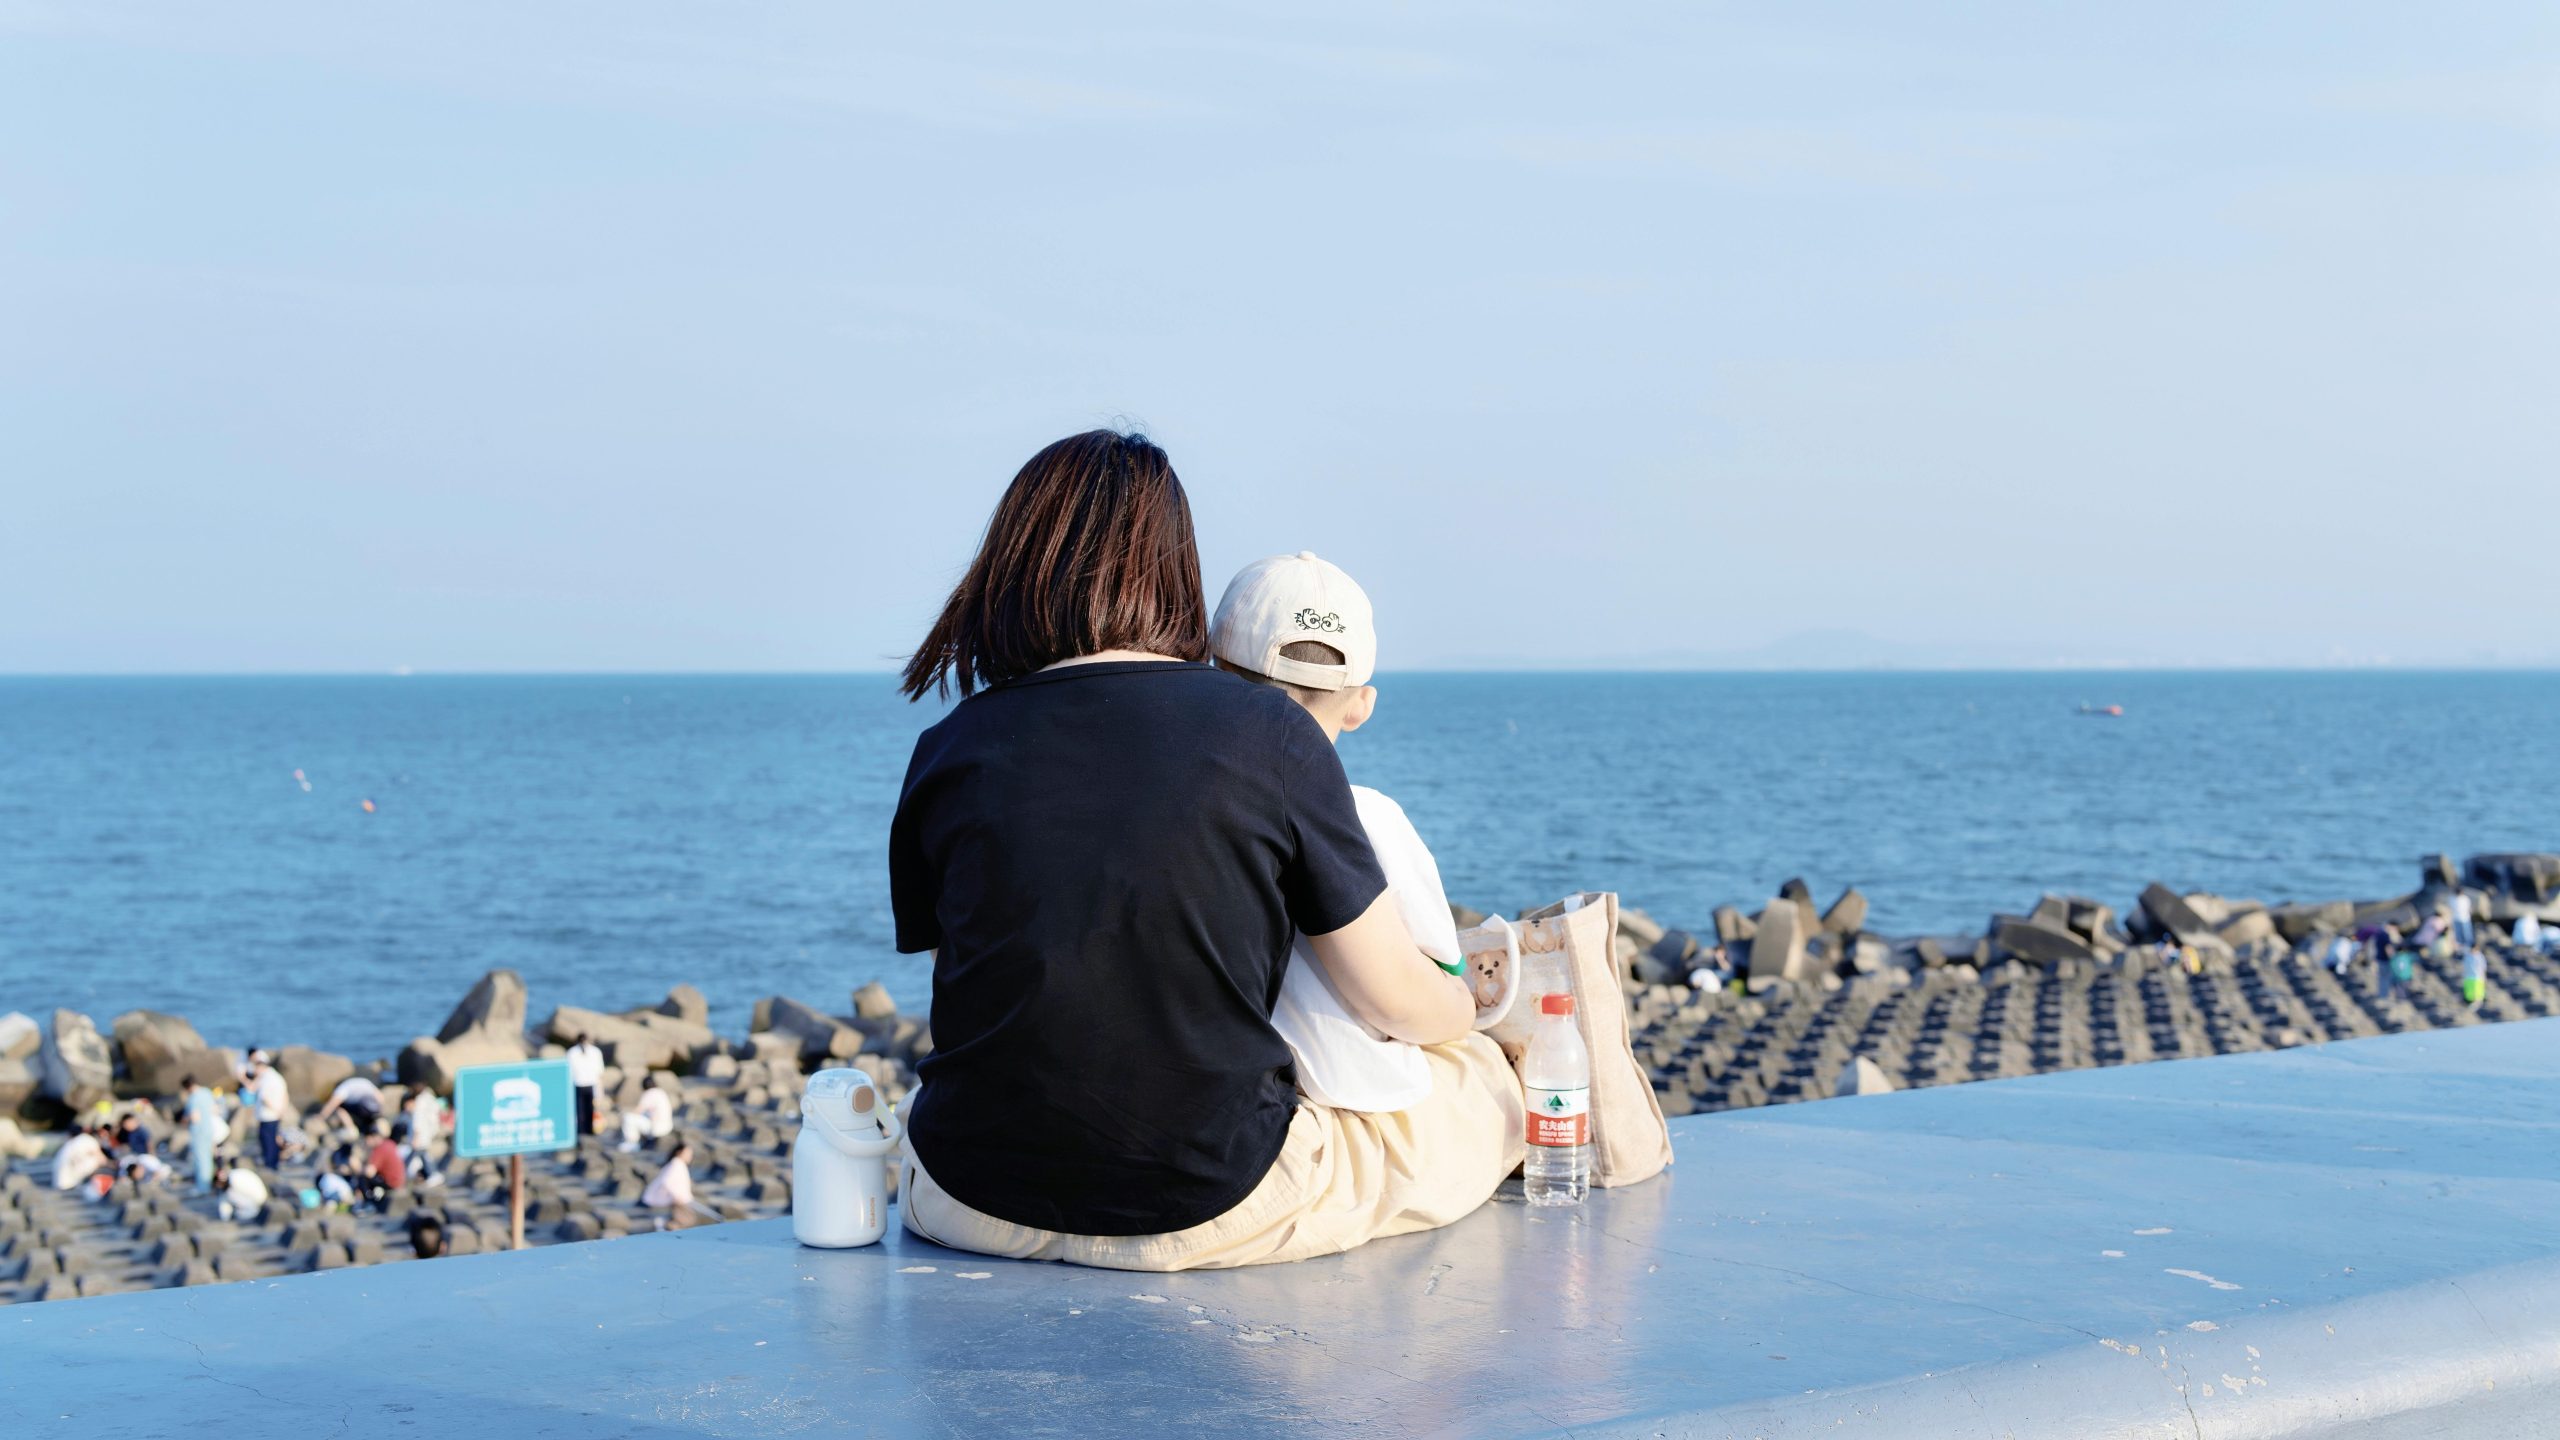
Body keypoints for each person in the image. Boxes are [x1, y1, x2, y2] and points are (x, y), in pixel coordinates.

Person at [887, 431, 1518, 1272]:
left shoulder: (949, 747)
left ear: (1010, 567)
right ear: (1172, 565)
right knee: (1487, 1085)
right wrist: (1470, 1019)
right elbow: (1394, 999)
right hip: (1206, 1203)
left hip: (962, 1197)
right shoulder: (1270, 735)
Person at [1213, 552, 1474, 1113]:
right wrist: (1466, 1006)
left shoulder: (1193, 804)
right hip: (1339, 1091)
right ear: (1361, 706)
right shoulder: (1371, 816)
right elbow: (1421, 985)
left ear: (1215, 673)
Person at [245, 1052, 291, 1171]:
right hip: (275, 1114)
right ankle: (274, 1165)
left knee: (267, 1141)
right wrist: (282, 1110)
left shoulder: (267, 1078)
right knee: (274, 1140)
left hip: (268, 1115)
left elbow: (264, 1097)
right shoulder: (276, 1077)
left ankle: (270, 1166)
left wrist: (276, 1110)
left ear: (260, 1067)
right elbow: (285, 1094)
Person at [641, 1138, 700, 1230]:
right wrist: (676, 1196)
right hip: (675, 1200)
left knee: (688, 1220)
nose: (690, 1157)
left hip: (678, 1200)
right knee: (687, 1221)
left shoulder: (678, 1164)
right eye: (687, 1154)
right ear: (679, 1152)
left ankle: (663, 1226)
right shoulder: (676, 1164)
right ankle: (663, 1226)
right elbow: (666, 1181)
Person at [183, 1079, 226, 1193]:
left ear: (188, 1088)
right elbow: (215, 1110)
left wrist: (185, 1120)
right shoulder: (207, 1092)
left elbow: (194, 1117)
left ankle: (202, 1187)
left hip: (199, 1132)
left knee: (201, 1159)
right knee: (209, 1158)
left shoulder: (194, 1098)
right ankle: (209, 1183)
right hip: (209, 1130)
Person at [315, 1073, 384, 1138]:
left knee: (340, 1108)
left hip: (363, 1108)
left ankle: (351, 1129)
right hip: (373, 1108)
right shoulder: (364, 1082)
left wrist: (321, 1117)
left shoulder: (342, 1088)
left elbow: (332, 1104)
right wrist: (381, 1112)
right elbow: (380, 1096)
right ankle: (378, 1126)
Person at [617, 1075, 674, 1153]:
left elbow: (638, 1111)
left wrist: (623, 1113)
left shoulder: (649, 1093)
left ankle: (632, 1143)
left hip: (656, 1128)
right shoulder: (661, 1092)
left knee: (628, 1118)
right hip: (667, 1126)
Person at [566, 1033, 605, 1138]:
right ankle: (582, 1132)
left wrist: (600, 1091)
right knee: (579, 1111)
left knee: (591, 1110)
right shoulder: (572, 1052)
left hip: (591, 1084)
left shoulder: (595, 1052)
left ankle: (590, 1131)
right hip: (578, 1084)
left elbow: (599, 1072)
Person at [51, 1126, 107, 1192]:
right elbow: (102, 1159)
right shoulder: (89, 1140)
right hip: (68, 1180)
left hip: (58, 1180)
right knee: (95, 1160)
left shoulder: (75, 1140)